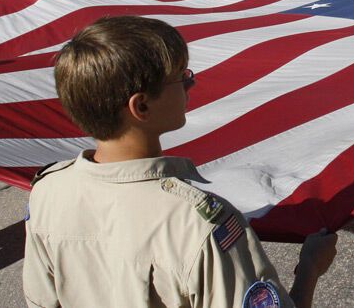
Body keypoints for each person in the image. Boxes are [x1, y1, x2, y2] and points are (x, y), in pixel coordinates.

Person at [22, 17, 337, 307]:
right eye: (180, 77)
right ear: (141, 105)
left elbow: (42, 299)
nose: (191, 84)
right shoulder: (198, 224)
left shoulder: (47, 192)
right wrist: (309, 269)